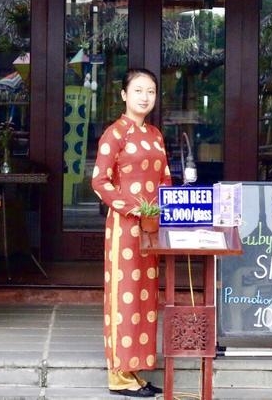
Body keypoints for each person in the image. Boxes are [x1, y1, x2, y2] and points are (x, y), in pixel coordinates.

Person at [91, 68, 171, 398]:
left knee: (145, 297)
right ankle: (119, 375)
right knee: (124, 296)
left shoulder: (155, 134)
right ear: (124, 95)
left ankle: (135, 369)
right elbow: (99, 181)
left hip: (151, 229)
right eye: (138, 90)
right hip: (125, 228)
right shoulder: (114, 133)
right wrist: (131, 207)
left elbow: (165, 177)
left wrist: (167, 209)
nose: (144, 97)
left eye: (150, 91)